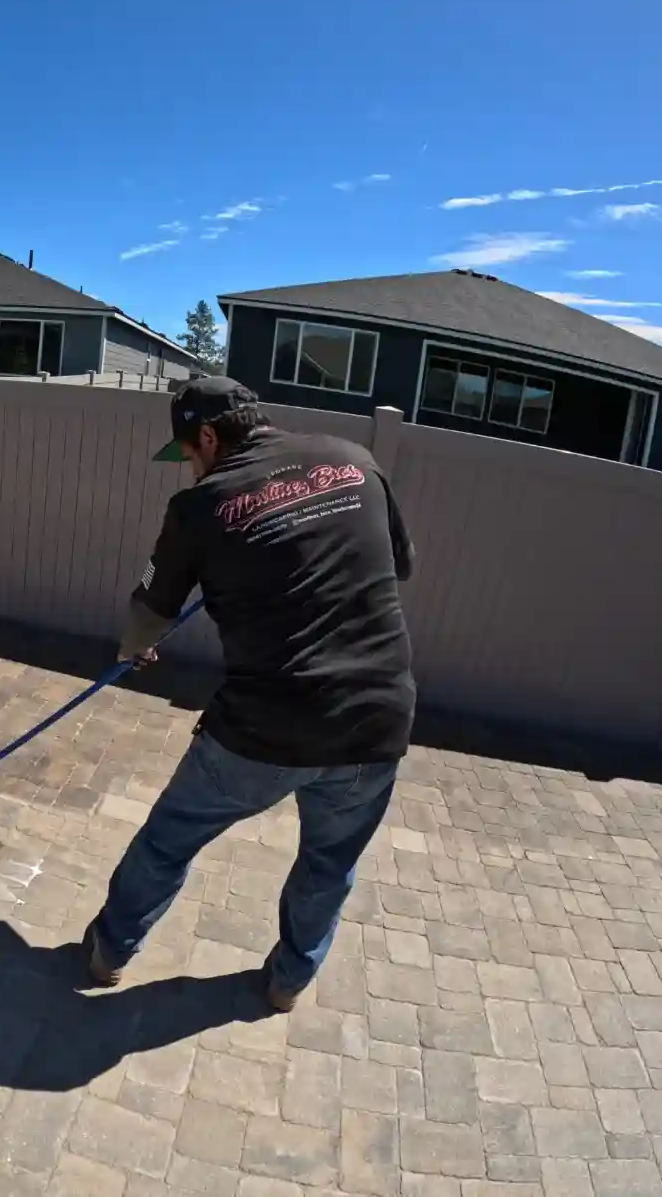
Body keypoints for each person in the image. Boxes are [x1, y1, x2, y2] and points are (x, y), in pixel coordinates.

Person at [84, 375, 417, 1011]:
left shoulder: (199, 507)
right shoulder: (357, 460)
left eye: (186, 453)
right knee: (329, 864)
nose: (187, 467)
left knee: (167, 840)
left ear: (208, 437)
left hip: (266, 728)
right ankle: (290, 982)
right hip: (377, 720)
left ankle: (107, 953)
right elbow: (396, 565)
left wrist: (133, 648)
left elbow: (149, 610)